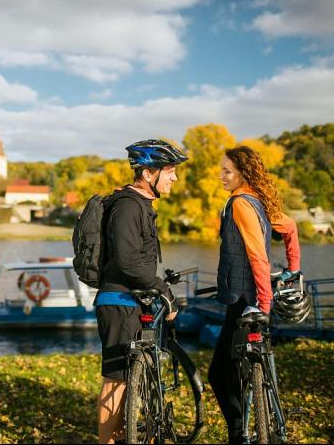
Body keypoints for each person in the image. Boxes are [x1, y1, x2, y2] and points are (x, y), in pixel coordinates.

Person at [95, 139, 188, 444]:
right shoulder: (127, 207)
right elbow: (126, 260)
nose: (174, 177)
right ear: (149, 173)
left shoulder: (140, 205)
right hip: (119, 301)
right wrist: (162, 289)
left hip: (132, 301)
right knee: (116, 383)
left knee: (131, 379)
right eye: (170, 171)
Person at [209, 145, 301, 444]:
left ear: (242, 173)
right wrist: (293, 268)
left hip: (244, 300)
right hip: (248, 297)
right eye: (221, 170)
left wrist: (263, 302)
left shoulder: (239, 203)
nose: (221, 176)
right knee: (237, 369)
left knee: (220, 374)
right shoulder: (258, 201)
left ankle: (238, 435)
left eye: (227, 171)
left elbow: (258, 255)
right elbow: (290, 228)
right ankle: (254, 423)